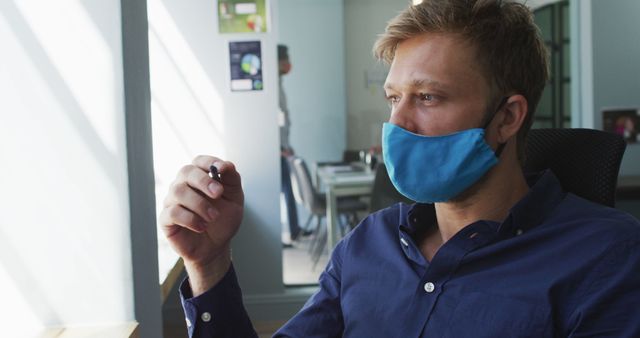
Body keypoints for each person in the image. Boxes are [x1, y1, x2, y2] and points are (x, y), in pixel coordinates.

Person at [159, 1, 640, 337]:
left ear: (507, 117)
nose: (398, 123)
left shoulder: (608, 256)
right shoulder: (368, 244)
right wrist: (209, 263)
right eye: (393, 98)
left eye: (428, 97)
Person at [277, 44, 304, 243]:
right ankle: (291, 230)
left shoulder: (278, 83)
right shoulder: (271, 86)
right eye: (285, 58)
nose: (288, 63)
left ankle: (294, 229)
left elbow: (282, 119)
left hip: (282, 148)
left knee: (287, 189)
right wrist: (279, 148)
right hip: (276, 151)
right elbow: (273, 120)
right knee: (285, 190)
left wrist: (286, 144)